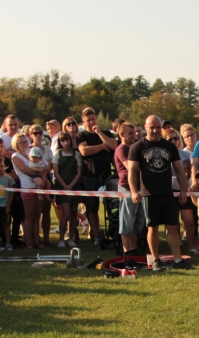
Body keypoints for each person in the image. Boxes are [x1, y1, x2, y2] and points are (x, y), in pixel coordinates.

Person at [127, 115, 190, 271]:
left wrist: (183, 190)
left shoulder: (169, 146)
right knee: (152, 228)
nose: (155, 130)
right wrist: (134, 191)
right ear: (145, 128)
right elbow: (132, 171)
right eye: (152, 127)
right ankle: (155, 260)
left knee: (173, 226)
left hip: (167, 193)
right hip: (149, 194)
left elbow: (179, 169)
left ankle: (177, 260)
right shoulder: (137, 147)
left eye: (157, 127)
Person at [77, 107, 117, 245]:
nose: (91, 122)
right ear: (83, 122)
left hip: (107, 176)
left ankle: (114, 231)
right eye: (88, 120)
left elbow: (114, 145)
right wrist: (102, 146)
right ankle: (96, 236)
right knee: (92, 208)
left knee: (112, 206)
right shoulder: (82, 136)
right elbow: (84, 151)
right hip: (90, 177)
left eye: (93, 119)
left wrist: (99, 133)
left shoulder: (106, 133)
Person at [164, 127, 199, 253]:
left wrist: (184, 184)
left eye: (176, 138)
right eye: (170, 139)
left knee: (189, 221)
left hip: (183, 190)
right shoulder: (163, 154)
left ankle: (192, 246)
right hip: (169, 191)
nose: (174, 141)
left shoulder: (184, 154)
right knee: (172, 223)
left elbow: (189, 173)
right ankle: (175, 245)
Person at [10, 133, 44, 249]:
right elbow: (25, 170)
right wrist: (39, 171)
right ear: (16, 144)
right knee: (29, 216)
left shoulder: (31, 152)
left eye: (25, 141)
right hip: (27, 188)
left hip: (38, 188)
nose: (24, 144)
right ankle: (29, 242)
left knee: (37, 216)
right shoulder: (16, 156)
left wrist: (41, 169)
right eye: (21, 142)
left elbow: (43, 163)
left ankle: (37, 241)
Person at [114, 122, 143, 256]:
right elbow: (130, 166)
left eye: (134, 133)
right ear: (122, 134)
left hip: (139, 187)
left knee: (137, 220)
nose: (134, 135)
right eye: (130, 133)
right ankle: (127, 250)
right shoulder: (122, 149)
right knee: (127, 220)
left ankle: (134, 249)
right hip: (127, 188)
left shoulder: (135, 147)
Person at [52, 131, 82, 248]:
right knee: (66, 213)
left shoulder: (76, 154)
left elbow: (79, 172)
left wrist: (71, 186)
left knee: (74, 213)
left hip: (74, 186)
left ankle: (71, 238)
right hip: (61, 186)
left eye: (67, 140)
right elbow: (56, 173)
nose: (65, 143)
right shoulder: (57, 154)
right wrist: (65, 186)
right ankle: (61, 239)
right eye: (62, 140)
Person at [29, 125, 55, 246]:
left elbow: (51, 165)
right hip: (33, 182)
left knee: (46, 211)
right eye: (35, 133)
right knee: (35, 213)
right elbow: (29, 166)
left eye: (40, 133)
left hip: (46, 179)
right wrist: (41, 170)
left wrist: (45, 169)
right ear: (31, 135)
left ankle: (46, 239)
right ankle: (35, 239)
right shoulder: (28, 149)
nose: (38, 135)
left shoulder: (48, 150)